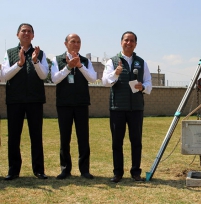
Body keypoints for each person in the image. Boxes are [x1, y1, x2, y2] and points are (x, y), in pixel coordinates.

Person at [102, 31, 152, 183]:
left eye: (132, 41)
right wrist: (116, 74)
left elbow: (149, 83)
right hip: (117, 108)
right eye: (126, 40)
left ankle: (136, 172)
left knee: (136, 142)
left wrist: (142, 86)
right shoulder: (112, 61)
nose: (128, 43)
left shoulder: (141, 62)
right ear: (121, 42)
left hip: (136, 108)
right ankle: (118, 173)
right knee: (117, 142)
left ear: (135, 44)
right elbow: (105, 82)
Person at [1, 23, 49, 180]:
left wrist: (35, 62)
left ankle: (39, 170)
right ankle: (13, 171)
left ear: (33, 36)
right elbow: (5, 76)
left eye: (29, 31)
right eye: (23, 31)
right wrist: (19, 64)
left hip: (35, 100)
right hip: (15, 100)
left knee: (36, 136)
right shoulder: (9, 53)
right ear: (17, 35)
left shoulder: (40, 53)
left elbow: (43, 76)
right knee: (14, 136)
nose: (26, 33)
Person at [51, 33, 97, 179]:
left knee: (83, 137)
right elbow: (54, 79)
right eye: (73, 41)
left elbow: (93, 78)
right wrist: (68, 67)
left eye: (78, 42)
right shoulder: (57, 59)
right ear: (66, 44)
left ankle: (84, 170)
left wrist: (79, 65)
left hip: (81, 104)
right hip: (64, 104)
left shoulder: (85, 61)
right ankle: (65, 169)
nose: (76, 44)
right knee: (65, 138)